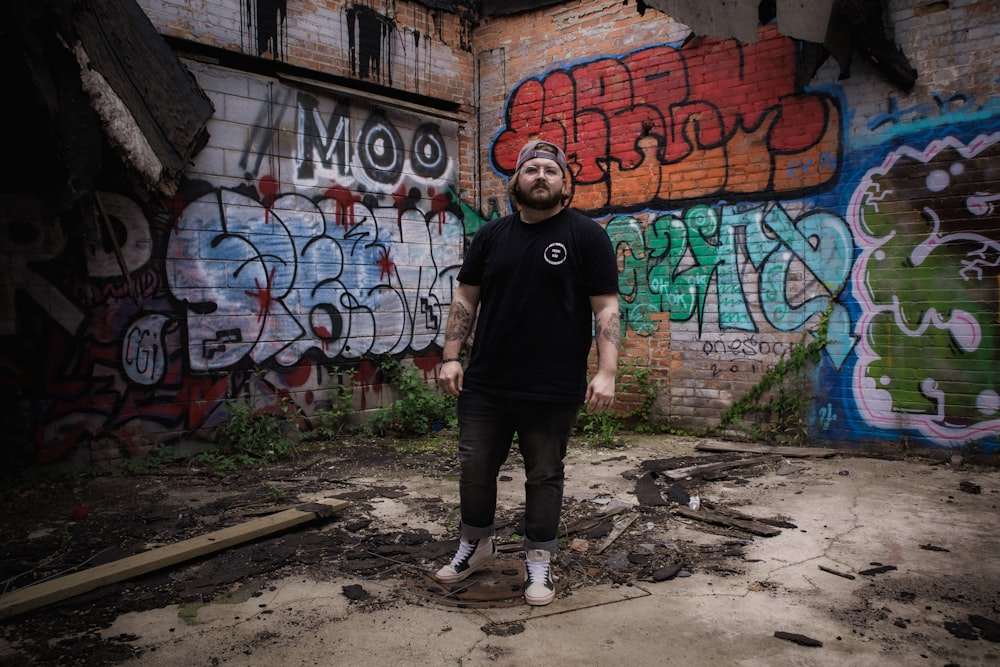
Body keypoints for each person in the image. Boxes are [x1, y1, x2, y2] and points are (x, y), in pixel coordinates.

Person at [435, 140, 620, 606]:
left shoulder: (586, 236)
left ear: (564, 183)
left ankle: (538, 558)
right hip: (487, 382)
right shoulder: (492, 237)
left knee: (544, 474)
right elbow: (465, 300)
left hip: (552, 385)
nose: (541, 176)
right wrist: (451, 356)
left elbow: (606, 308)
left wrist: (607, 371)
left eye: (551, 170)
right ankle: (476, 544)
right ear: (516, 181)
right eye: (532, 169)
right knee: (475, 469)